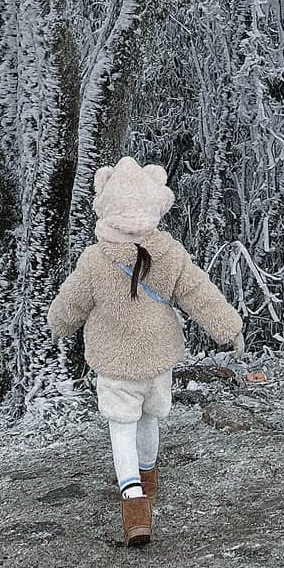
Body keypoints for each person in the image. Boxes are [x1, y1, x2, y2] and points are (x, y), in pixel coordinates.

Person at [46, 154, 244, 547]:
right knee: (150, 417)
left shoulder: (94, 260)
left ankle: (134, 502)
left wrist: (58, 327)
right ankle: (148, 480)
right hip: (158, 359)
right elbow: (199, 294)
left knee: (121, 427)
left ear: (107, 207)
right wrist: (230, 328)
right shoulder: (170, 253)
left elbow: (69, 305)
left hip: (115, 362)